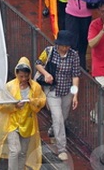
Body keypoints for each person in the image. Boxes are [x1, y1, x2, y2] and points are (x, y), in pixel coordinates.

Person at [0, 57, 46, 170]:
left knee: (23, 153)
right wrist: (14, 107)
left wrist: (33, 102)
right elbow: (0, 103)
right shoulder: (9, 86)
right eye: (21, 76)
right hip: (12, 123)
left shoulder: (35, 87)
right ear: (16, 73)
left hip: (28, 124)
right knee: (15, 150)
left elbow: (42, 101)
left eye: (26, 76)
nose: (24, 79)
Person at [35, 31, 81, 162]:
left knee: (63, 117)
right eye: (63, 45)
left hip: (66, 92)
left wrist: (75, 95)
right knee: (58, 117)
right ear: (58, 44)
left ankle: (53, 129)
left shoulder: (74, 56)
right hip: (52, 91)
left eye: (68, 46)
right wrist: (46, 74)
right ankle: (62, 149)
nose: (66, 48)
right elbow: (38, 63)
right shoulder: (49, 51)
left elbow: (75, 76)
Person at [61, 0, 95, 69]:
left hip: (86, 15)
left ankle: (82, 65)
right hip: (72, 13)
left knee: (83, 41)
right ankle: (72, 65)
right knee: (72, 41)